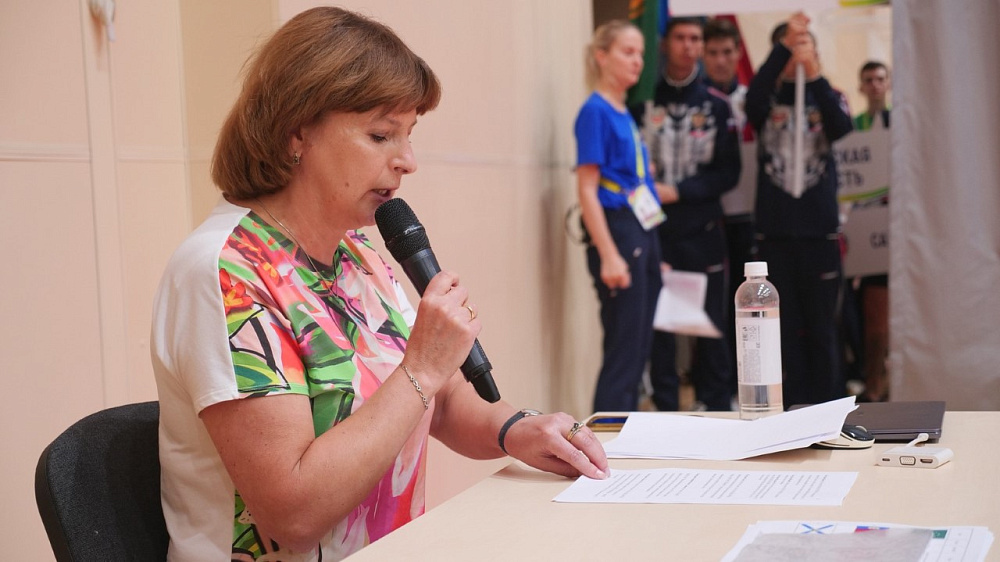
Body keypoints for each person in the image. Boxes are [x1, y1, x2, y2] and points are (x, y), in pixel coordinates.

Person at [150, 8, 608, 561]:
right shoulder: (224, 271)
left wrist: (518, 429)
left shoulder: (355, 254)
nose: (407, 161)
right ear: (297, 131)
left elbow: (438, 402)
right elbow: (292, 516)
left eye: (409, 135)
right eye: (381, 135)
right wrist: (422, 367)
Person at [745, 12, 854, 407]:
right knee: (782, 329)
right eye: (791, 50)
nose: (798, 55)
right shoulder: (766, 100)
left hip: (818, 234)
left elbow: (841, 127)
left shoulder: (828, 95)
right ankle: (790, 406)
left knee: (823, 328)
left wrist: (816, 75)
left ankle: (828, 406)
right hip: (774, 235)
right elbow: (752, 100)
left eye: (806, 47)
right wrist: (783, 51)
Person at [632, 17, 741, 412]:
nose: (688, 46)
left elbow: (730, 173)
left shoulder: (717, 105)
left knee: (710, 325)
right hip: (655, 232)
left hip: (703, 230)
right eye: (680, 38)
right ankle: (665, 409)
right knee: (660, 328)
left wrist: (678, 191)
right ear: (665, 44)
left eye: (695, 39)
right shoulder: (642, 104)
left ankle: (717, 407)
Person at [575, 20, 664, 412]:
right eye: (627, 52)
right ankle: (606, 434)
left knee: (639, 346)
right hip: (618, 231)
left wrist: (655, 245)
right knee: (623, 350)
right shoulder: (594, 111)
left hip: (642, 230)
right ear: (602, 56)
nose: (637, 61)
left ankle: (627, 428)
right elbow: (587, 188)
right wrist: (609, 254)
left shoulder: (624, 112)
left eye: (640, 53)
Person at [702, 17, 754, 403]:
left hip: (751, 217)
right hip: (713, 219)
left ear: (738, 53)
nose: (721, 60)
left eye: (727, 52)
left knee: (751, 306)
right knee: (715, 310)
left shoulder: (754, 98)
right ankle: (717, 391)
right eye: (713, 52)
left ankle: (748, 382)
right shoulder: (700, 103)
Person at [853, 60, 892, 402]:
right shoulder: (855, 127)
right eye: (869, 80)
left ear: (888, 83)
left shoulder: (901, 123)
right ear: (861, 87)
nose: (875, 85)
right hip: (870, 235)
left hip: (902, 231)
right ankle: (875, 383)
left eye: (880, 79)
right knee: (874, 318)